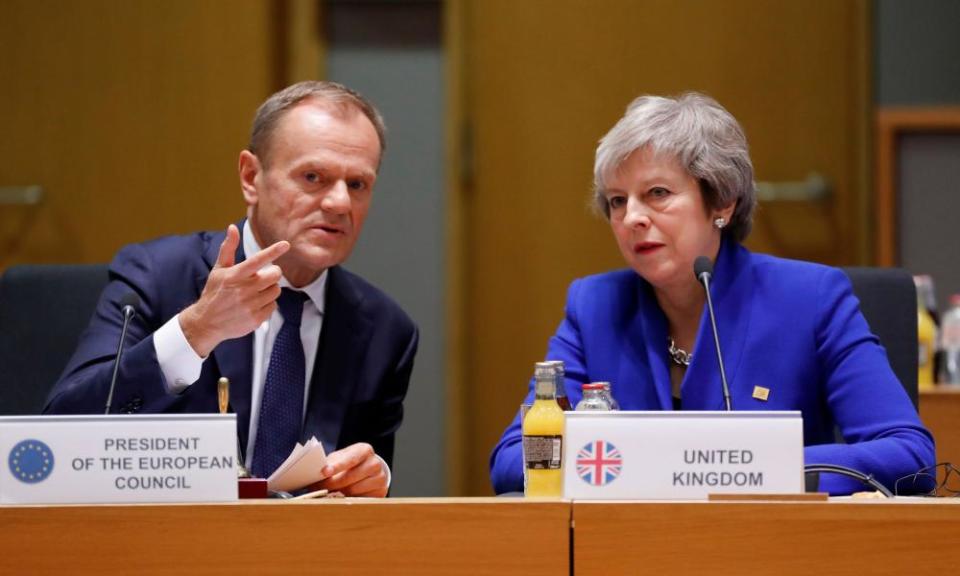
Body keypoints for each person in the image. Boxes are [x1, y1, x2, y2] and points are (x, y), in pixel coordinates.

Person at [489, 92, 934, 495]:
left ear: (722, 202)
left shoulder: (811, 298)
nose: (632, 218)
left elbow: (908, 455)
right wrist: (666, 467)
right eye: (618, 201)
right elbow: (515, 458)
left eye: (657, 193)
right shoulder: (595, 307)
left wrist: (752, 468)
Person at [45, 81, 418, 498]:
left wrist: (374, 475)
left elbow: (364, 473)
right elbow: (62, 434)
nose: (339, 203)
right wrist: (195, 332)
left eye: (357, 185)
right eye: (313, 177)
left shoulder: (385, 331)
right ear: (250, 177)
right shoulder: (158, 276)